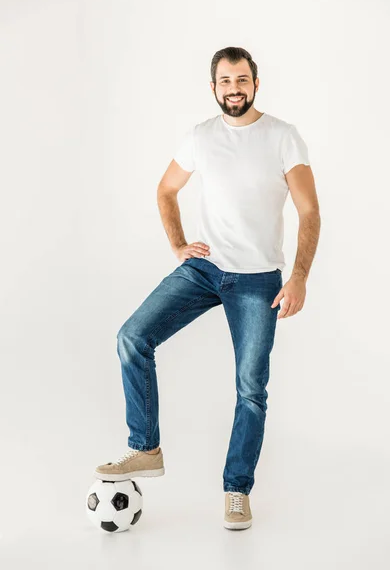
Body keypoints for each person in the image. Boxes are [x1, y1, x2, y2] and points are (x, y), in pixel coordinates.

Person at [94, 46, 321, 530]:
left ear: (255, 84)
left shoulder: (283, 137)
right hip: (204, 270)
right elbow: (165, 189)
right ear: (213, 87)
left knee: (251, 389)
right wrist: (179, 244)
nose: (233, 89)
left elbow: (309, 212)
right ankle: (145, 448)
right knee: (132, 337)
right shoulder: (200, 137)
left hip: (258, 280)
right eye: (224, 81)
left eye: (242, 80)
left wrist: (299, 274)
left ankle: (236, 491)